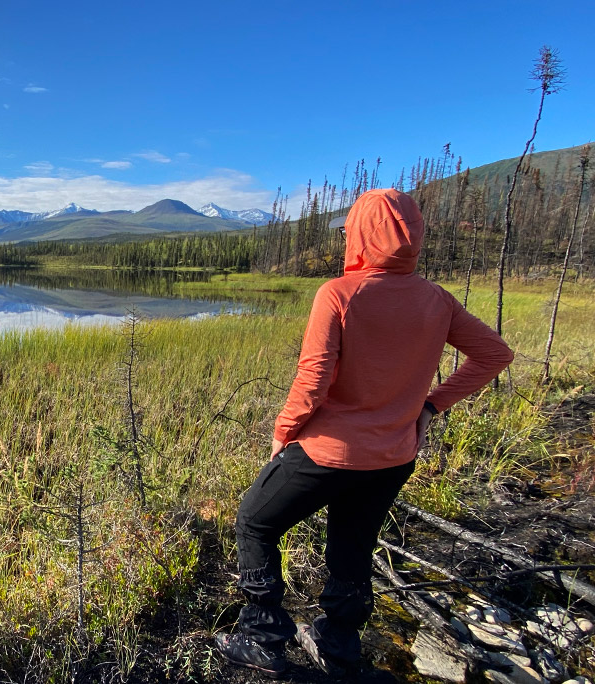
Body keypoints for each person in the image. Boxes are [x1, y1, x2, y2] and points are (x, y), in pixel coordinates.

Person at [215, 188, 514, 678]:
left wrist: (283, 431)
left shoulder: (339, 293)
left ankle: (262, 636)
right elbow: (495, 354)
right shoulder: (437, 300)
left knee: (254, 522)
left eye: (348, 229)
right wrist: (430, 407)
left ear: (359, 235)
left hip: (327, 453)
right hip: (393, 457)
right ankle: (339, 646)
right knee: (353, 547)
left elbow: (313, 379)